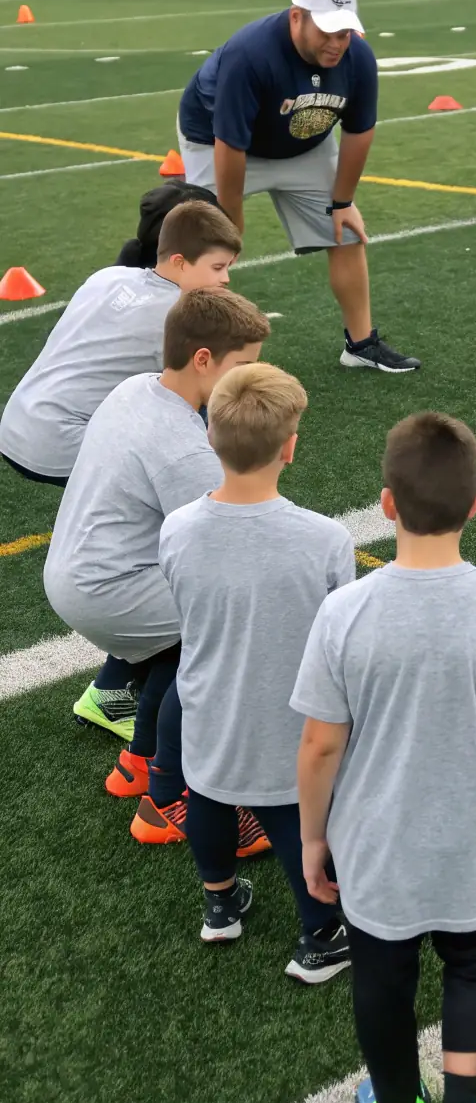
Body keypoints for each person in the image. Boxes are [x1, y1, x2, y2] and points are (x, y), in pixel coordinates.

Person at [292, 412, 476, 1103]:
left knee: (383, 976)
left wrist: (313, 837)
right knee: (473, 963)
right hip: (470, 842)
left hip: (373, 847)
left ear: (386, 503)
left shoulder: (345, 611)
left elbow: (320, 744)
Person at [1, 196, 239, 740]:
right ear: (180, 263)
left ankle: (117, 675)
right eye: (219, 269)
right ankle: (114, 690)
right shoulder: (177, 319)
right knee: (165, 543)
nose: (227, 281)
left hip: (19, 419)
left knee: (140, 536)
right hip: (62, 438)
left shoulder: (109, 276)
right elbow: (192, 400)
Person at [43, 288, 271, 854]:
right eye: (243, 367)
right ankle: (169, 799)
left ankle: (139, 762)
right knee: (226, 632)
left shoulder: (136, 389)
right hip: (110, 588)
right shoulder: (182, 449)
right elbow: (226, 541)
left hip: (77, 572)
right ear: (202, 360)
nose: (253, 380)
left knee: (177, 646)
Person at [159, 362, 355, 982]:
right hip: (290, 716)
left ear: (210, 437)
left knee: (209, 799)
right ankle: (320, 936)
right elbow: (339, 630)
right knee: (297, 823)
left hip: (208, 701)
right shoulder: (325, 539)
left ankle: (221, 904)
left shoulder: (177, 529)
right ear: (290, 446)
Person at [176, 0, 419, 374]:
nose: (337, 43)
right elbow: (230, 144)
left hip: (303, 140)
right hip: (219, 140)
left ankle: (360, 344)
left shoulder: (358, 57)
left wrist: (342, 202)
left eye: (344, 32)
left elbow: (360, 132)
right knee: (206, 245)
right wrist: (230, 217)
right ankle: (198, 353)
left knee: (346, 231)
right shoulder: (250, 54)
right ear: (296, 17)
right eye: (326, 31)